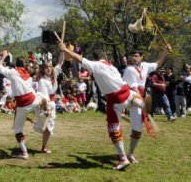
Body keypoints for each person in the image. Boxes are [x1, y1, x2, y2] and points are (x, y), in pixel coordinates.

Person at [59, 42, 145, 171]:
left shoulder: (97, 65)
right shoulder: (111, 66)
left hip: (115, 101)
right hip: (127, 93)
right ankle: (141, 104)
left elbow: (79, 58)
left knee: (113, 128)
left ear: (95, 59)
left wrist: (65, 49)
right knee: (133, 98)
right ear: (105, 57)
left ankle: (123, 158)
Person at [0, 50, 48, 160]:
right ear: (24, 65)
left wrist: (4, 56)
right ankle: (43, 115)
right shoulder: (28, 75)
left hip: (23, 105)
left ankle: (25, 153)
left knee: (18, 130)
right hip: (33, 100)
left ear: (16, 65)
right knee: (38, 103)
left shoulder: (13, 72)